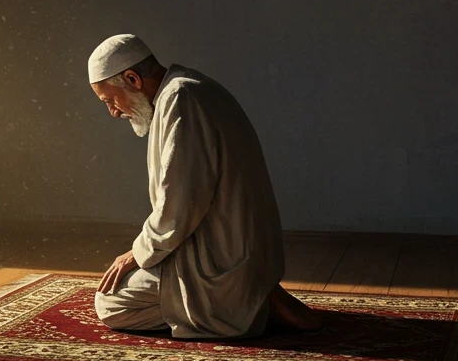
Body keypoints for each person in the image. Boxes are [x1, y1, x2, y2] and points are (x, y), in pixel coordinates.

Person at [87, 33, 322, 338]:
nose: (113, 112)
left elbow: (179, 208)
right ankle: (259, 294)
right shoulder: (188, 86)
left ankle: (246, 303)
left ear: (132, 79)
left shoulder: (180, 100)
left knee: (110, 302)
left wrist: (136, 253)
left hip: (221, 264)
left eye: (110, 100)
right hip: (236, 250)